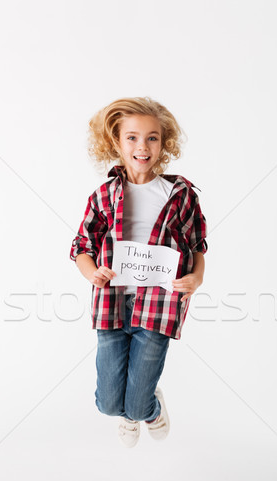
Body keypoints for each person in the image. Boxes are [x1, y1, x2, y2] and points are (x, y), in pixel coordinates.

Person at [69, 96, 208, 448]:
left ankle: (146, 408)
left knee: (135, 402)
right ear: (116, 141)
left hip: (158, 306)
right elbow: (82, 247)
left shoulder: (180, 195)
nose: (142, 146)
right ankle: (137, 404)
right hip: (112, 306)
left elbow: (196, 246)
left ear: (164, 144)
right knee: (108, 403)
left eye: (152, 138)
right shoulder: (104, 195)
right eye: (131, 137)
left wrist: (197, 277)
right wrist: (93, 274)